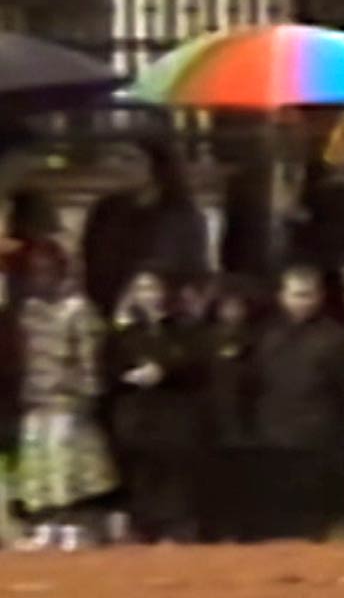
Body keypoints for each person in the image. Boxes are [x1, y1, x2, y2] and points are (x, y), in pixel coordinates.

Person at [10, 240, 114, 552]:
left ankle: (72, 524)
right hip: (35, 399)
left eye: (45, 270)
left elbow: (87, 357)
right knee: (38, 468)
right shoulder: (29, 311)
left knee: (67, 467)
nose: (39, 277)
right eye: (34, 271)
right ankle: (45, 523)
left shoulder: (77, 310)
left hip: (66, 401)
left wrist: (86, 392)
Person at [253, 265, 344, 541]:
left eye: (308, 295)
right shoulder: (266, 336)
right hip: (272, 433)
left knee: (314, 509)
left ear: (320, 297)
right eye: (296, 295)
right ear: (282, 296)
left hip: (318, 433)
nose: (302, 302)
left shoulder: (336, 338)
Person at [102, 269, 206, 544]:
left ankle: (175, 530)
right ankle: (140, 528)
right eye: (143, 288)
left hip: (173, 414)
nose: (150, 296)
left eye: (155, 288)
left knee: (174, 476)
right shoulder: (123, 333)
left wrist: (165, 370)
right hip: (135, 415)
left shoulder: (183, 329)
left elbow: (198, 366)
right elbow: (107, 369)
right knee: (139, 475)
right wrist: (129, 375)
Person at [79, 139, 210, 319]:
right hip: (111, 309)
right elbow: (92, 258)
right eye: (114, 158)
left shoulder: (182, 214)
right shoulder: (106, 210)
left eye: (129, 160)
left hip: (167, 313)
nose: (118, 167)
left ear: (154, 167)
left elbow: (195, 268)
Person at [198, 275, 266, 543]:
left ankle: (245, 527)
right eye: (226, 306)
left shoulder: (259, 339)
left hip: (248, 420)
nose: (232, 313)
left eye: (238, 306)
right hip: (211, 420)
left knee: (246, 478)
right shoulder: (204, 339)